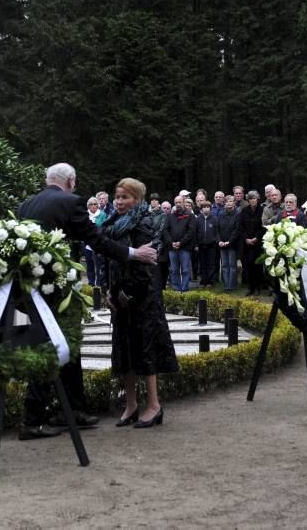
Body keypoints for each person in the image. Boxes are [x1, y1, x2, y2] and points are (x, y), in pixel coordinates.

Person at [17, 163, 157, 441]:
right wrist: (132, 253)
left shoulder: (27, 204)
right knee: (51, 346)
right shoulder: (70, 202)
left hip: (32, 289)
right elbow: (96, 239)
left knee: (69, 345)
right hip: (54, 290)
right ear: (71, 181)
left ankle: (73, 410)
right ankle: (32, 420)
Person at [100, 178, 179, 428]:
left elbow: (146, 266)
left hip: (143, 299)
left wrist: (127, 294)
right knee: (124, 351)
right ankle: (131, 404)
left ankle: (154, 406)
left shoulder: (143, 223)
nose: (119, 201)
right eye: (117, 196)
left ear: (137, 199)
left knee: (146, 351)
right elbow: (108, 258)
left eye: (125, 197)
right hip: (120, 298)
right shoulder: (111, 224)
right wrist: (109, 292)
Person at [163, 195, 195, 292]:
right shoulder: (170, 216)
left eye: (179, 202)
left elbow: (191, 232)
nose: (178, 204)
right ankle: (176, 288)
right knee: (174, 269)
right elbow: (165, 230)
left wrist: (181, 242)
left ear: (184, 202)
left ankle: (184, 289)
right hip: (172, 248)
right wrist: (171, 242)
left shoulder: (190, 215)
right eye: (176, 203)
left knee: (185, 269)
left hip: (185, 247)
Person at [240, 190, 266, 295]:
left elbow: (263, 226)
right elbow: (241, 226)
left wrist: (257, 238)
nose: (252, 200)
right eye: (250, 199)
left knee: (258, 266)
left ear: (257, 199)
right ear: (248, 200)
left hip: (258, 243)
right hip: (247, 243)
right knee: (248, 265)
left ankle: (258, 288)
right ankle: (250, 288)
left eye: (254, 198)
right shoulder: (244, 211)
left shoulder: (262, 210)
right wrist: (246, 238)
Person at [216, 195, 242, 291]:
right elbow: (217, 229)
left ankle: (232, 285)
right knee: (224, 265)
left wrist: (229, 241)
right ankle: (226, 285)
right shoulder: (221, 214)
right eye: (226, 201)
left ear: (234, 202)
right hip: (222, 244)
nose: (228, 203)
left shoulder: (237, 214)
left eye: (230, 201)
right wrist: (219, 241)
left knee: (232, 265)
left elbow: (236, 230)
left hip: (232, 244)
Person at [83, 196, 108, 285]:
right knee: (89, 264)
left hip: (98, 243)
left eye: (95, 204)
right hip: (87, 243)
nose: (93, 206)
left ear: (97, 205)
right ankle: (91, 283)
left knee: (99, 264)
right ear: (88, 206)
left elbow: (104, 227)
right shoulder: (85, 215)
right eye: (91, 204)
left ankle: (98, 284)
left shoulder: (103, 214)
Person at [195, 202, 220, 288]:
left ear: (210, 208)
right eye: (204, 207)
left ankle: (210, 282)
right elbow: (195, 233)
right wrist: (196, 245)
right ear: (201, 209)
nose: (206, 209)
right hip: (201, 245)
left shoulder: (214, 219)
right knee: (202, 264)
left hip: (211, 245)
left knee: (211, 264)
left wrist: (216, 241)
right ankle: (203, 281)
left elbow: (217, 233)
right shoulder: (198, 219)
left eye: (207, 207)